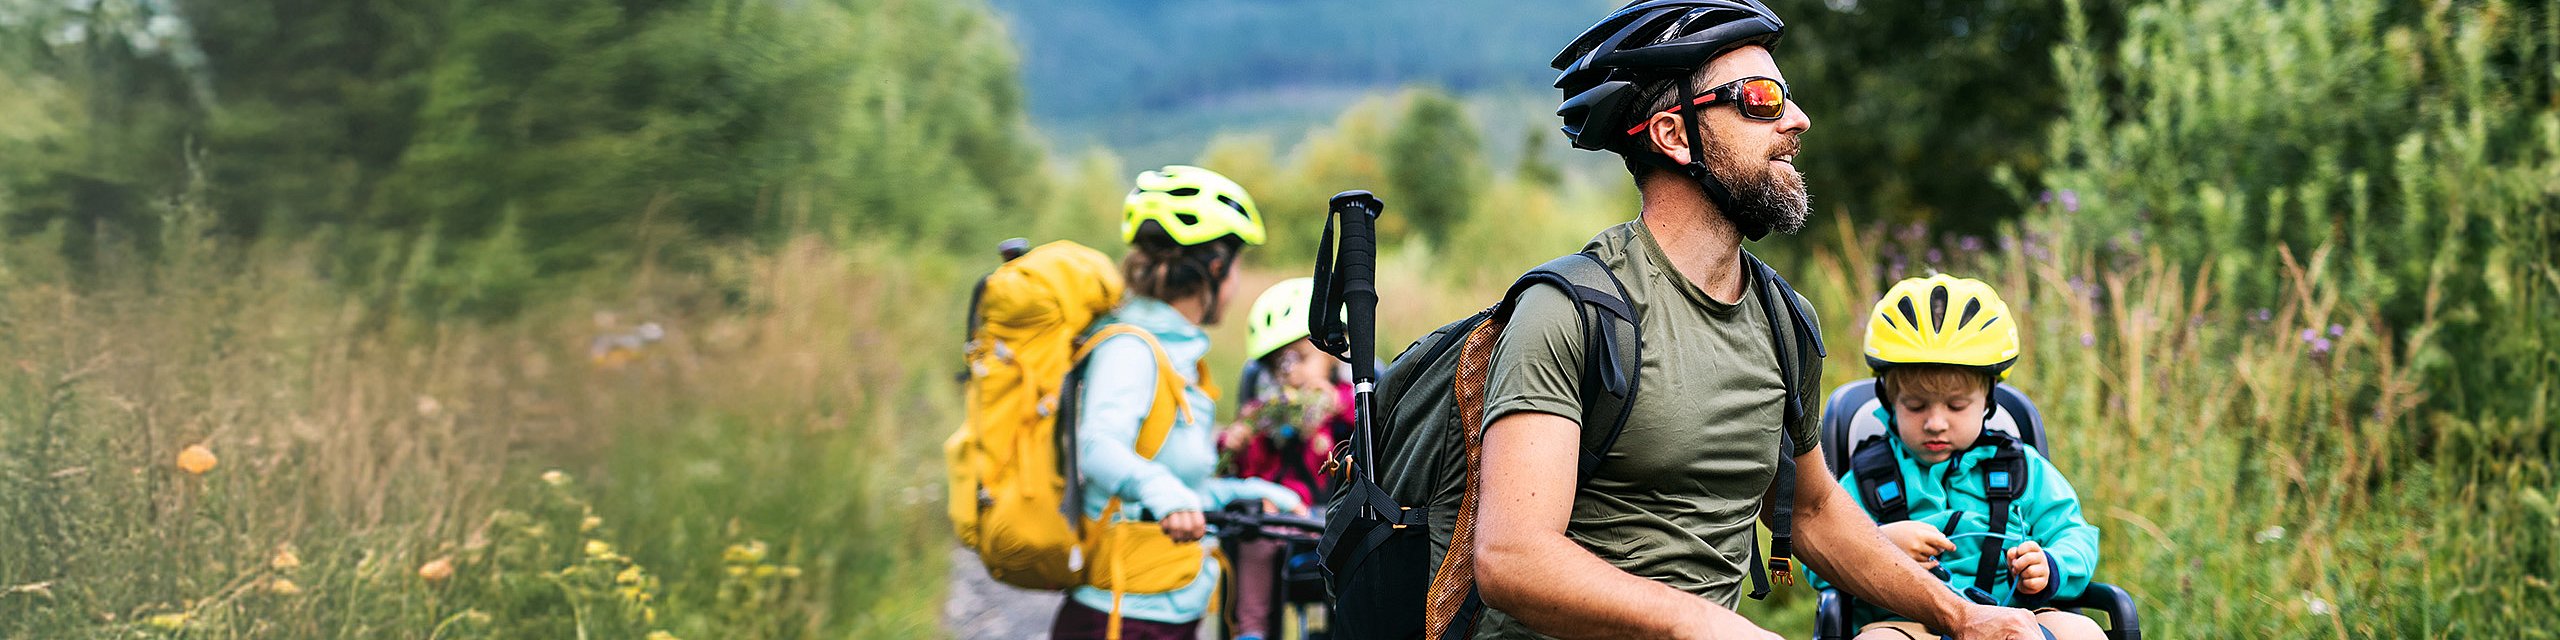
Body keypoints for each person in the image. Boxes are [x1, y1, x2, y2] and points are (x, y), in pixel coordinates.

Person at [1468, 2, 2046, 638]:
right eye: (1762, 99)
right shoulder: (1571, 312)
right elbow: (1512, 558)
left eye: (1786, 96)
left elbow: (1813, 510)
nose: (1797, 119)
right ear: (1674, 135)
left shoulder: (1782, 320)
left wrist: (1963, 615)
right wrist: (1700, 624)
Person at [1053, 166, 1307, 640]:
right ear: (1217, 269)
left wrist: (1256, 493)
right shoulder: (1130, 348)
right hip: (1118, 617)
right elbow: (1099, 448)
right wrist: (1163, 492)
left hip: (1166, 610)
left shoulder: (1177, 355)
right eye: (1238, 266)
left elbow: (1182, 488)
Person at [1807, 275, 2107, 640]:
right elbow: (1819, 555)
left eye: (1956, 406)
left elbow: (2074, 535)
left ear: (1988, 400)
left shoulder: (2023, 470)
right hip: (1903, 623)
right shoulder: (1867, 478)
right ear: (1889, 401)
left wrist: (2050, 566)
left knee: (2080, 630)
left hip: (2014, 618)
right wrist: (1880, 546)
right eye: (1915, 406)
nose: (1935, 423)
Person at [1218, 277, 1347, 640]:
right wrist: (1238, 442)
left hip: (1331, 515)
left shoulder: (1344, 399)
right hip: (1280, 515)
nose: (1292, 372)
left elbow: (1368, 431)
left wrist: (1332, 406)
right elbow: (1248, 472)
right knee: (1254, 536)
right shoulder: (1268, 411)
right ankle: (1252, 629)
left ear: (1332, 353)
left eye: (1301, 359)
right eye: (1280, 365)